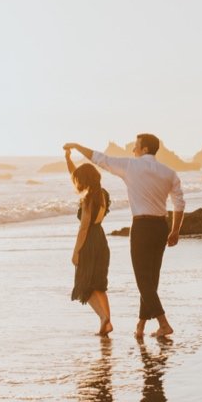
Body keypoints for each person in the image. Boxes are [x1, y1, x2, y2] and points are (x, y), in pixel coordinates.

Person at [63, 135, 184, 339]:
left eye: (135, 146)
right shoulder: (169, 172)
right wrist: (175, 230)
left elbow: (99, 158)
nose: (133, 150)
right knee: (151, 280)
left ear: (144, 149)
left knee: (143, 281)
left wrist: (76, 146)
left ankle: (164, 324)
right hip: (161, 227)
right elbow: (179, 203)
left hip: (142, 227)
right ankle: (141, 326)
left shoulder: (130, 166)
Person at [65, 148, 113, 336]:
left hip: (90, 241)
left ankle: (103, 318)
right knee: (99, 284)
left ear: (85, 181)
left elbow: (84, 227)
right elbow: (75, 174)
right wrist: (67, 159)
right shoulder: (102, 194)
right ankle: (107, 321)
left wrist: (76, 251)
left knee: (85, 284)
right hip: (101, 239)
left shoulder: (87, 200)